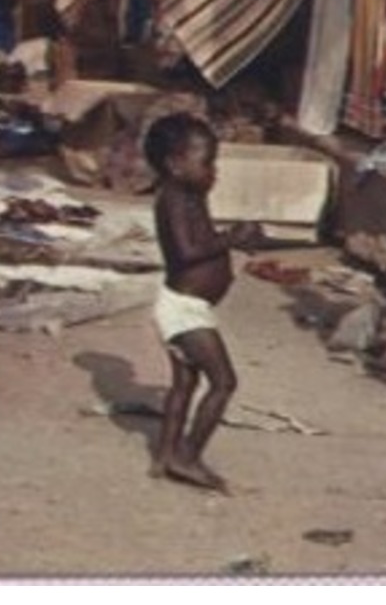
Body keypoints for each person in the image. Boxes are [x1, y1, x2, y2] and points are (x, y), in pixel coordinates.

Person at [144, 112, 262, 493]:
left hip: (184, 306)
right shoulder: (174, 200)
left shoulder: (190, 195)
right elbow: (186, 251)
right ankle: (187, 457)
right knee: (224, 382)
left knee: (184, 385)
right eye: (207, 162)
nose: (214, 172)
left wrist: (235, 237)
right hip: (184, 310)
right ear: (175, 165)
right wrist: (231, 238)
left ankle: (164, 455)